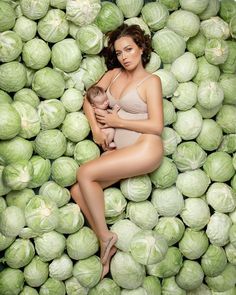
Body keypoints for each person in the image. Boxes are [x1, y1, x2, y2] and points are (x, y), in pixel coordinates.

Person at [70, 23, 164, 278]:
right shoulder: (112, 75)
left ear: (141, 48)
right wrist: (97, 130)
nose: (125, 56)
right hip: (120, 151)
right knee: (78, 190)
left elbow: (156, 125)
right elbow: (87, 100)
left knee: (85, 173)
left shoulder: (151, 81)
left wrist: (117, 122)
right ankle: (104, 237)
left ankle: (105, 237)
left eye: (129, 49)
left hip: (145, 147)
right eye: (120, 52)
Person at [86, 85, 117, 149]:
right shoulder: (97, 110)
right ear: (93, 106)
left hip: (103, 128)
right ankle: (107, 145)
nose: (106, 103)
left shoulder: (100, 107)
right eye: (102, 103)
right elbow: (108, 116)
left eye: (106, 99)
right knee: (111, 131)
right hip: (102, 130)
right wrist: (115, 110)